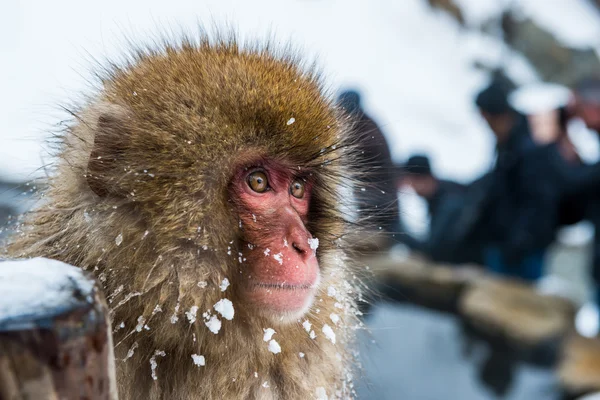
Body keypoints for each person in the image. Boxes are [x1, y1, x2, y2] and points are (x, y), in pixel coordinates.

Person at [471, 79, 557, 281]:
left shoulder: (529, 145)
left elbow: (540, 196)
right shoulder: (509, 143)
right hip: (503, 240)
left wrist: (522, 238)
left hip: (523, 246)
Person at [337, 90, 403, 248]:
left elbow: (347, 153)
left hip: (379, 205)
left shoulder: (366, 131)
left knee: (363, 244)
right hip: (372, 201)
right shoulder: (364, 126)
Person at [400, 154, 485, 264]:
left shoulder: (450, 200)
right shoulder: (440, 194)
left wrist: (397, 233)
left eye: (411, 181)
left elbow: (434, 249)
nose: (410, 187)